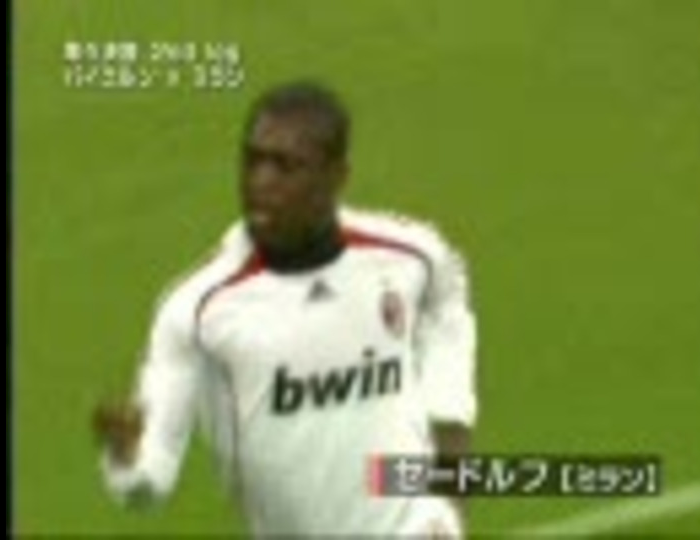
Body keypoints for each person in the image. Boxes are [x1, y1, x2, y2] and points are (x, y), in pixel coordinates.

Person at [93, 80, 478, 537]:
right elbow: (148, 483)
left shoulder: (410, 257)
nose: (261, 183)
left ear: (336, 176)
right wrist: (124, 455)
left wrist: (450, 483)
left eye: (285, 166)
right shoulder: (198, 312)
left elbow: (448, 316)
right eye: (253, 161)